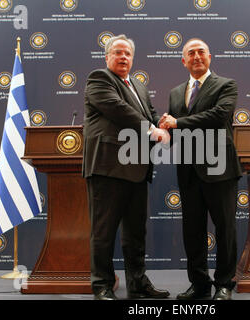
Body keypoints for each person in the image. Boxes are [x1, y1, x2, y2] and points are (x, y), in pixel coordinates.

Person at [83, 34, 170, 300]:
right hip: (108, 167)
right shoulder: (99, 79)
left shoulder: (139, 86)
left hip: (137, 169)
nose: (123, 57)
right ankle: (102, 285)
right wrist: (153, 129)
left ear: (133, 58)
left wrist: (164, 123)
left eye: (127, 54)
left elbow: (149, 114)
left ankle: (137, 282)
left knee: (136, 233)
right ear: (107, 57)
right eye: (117, 52)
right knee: (104, 232)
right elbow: (119, 109)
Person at [159, 38, 242, 300]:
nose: (196, 56)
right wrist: (159, 130)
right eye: (190, 53)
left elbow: (219, 116)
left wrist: (177, 122)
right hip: (188, 170)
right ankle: (199, 284)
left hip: (220, 168)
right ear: (183, 61)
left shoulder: (226, 85)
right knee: (192, 231)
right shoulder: (175, 92)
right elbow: (174, 130)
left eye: (201, 52)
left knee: (225, 228)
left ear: (210, 57)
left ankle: (225, 284)